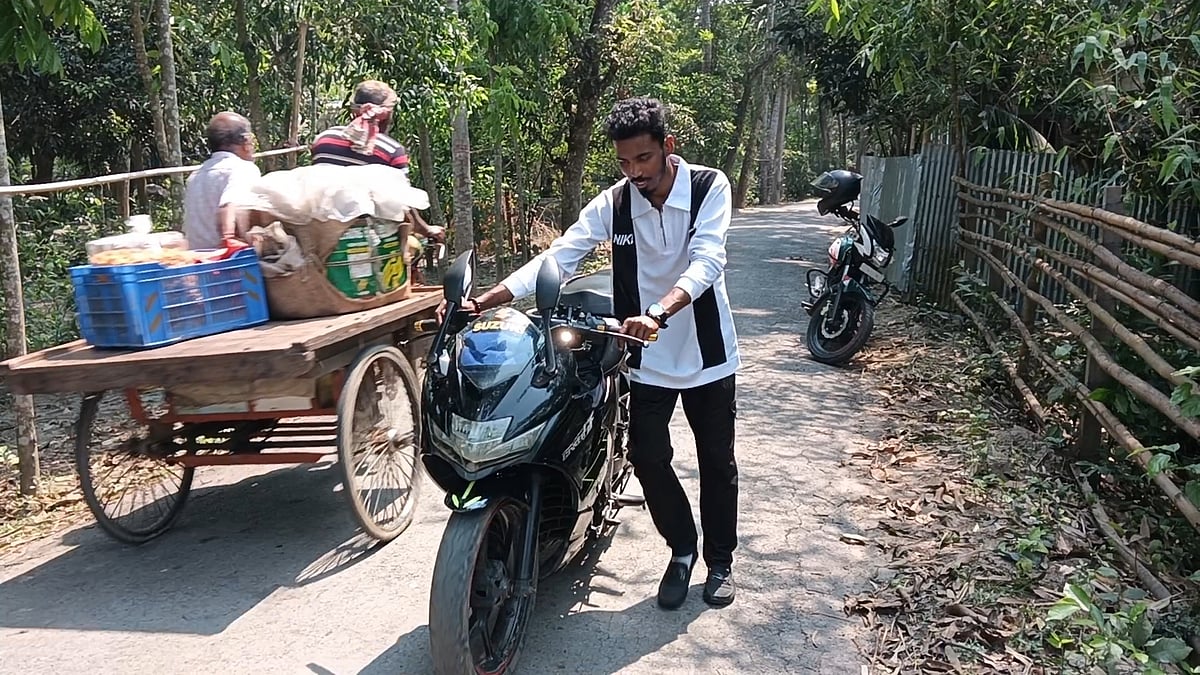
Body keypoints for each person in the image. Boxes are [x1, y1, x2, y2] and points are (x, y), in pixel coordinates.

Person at [444, 97, 741, 610]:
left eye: (643, 160)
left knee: (717, 462)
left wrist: (659, 310)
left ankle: (720, 562)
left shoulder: (707, 186)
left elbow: (708, 257)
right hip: (642, 352)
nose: (634, 173)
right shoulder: (616, 202)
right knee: (648, 457)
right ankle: (682, 550)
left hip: (708, 351)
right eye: (624, 164)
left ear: (668, 148)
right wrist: (497, 294)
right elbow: (562, 251)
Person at [310, 79, 445, 250]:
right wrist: (426, 229)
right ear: (386, 115)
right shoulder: (392, 150)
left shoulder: (323, 139)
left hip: (321, 236)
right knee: (412, 249)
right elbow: (404, 204)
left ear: (353, 110)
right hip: (371, 240)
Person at [182, 112, 261, 249]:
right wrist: (228, 238)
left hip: (197, 258)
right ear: (246, 142)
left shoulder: (195, 176)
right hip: (227, 261)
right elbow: (229, 206)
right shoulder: (243, 169)